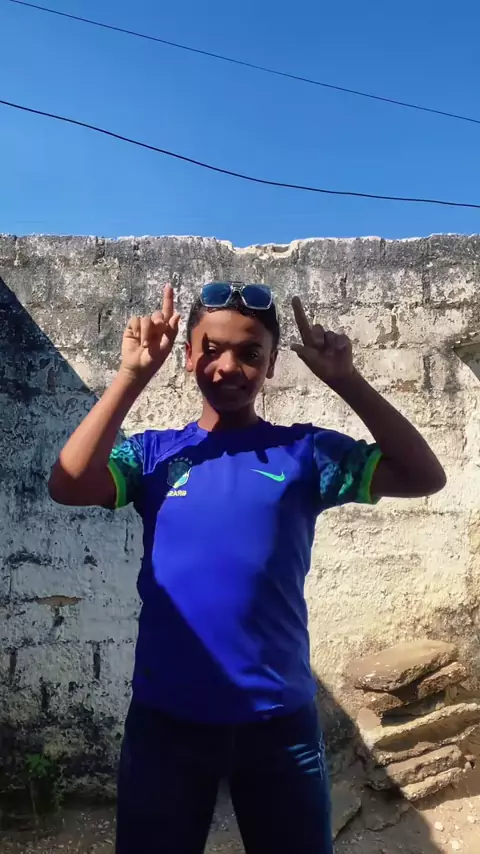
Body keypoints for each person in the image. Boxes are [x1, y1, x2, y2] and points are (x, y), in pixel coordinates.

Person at [49, 281, 446, 854]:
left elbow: (423, 476)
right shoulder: (154, 455)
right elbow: (68, 483)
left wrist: (347, 380)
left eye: (250, 352)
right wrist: (131, 376)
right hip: (167, 723)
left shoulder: (305, 454)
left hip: (279, 727)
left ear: (271, 364)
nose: (228, 366)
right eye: (211, 349)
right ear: (187, 355)